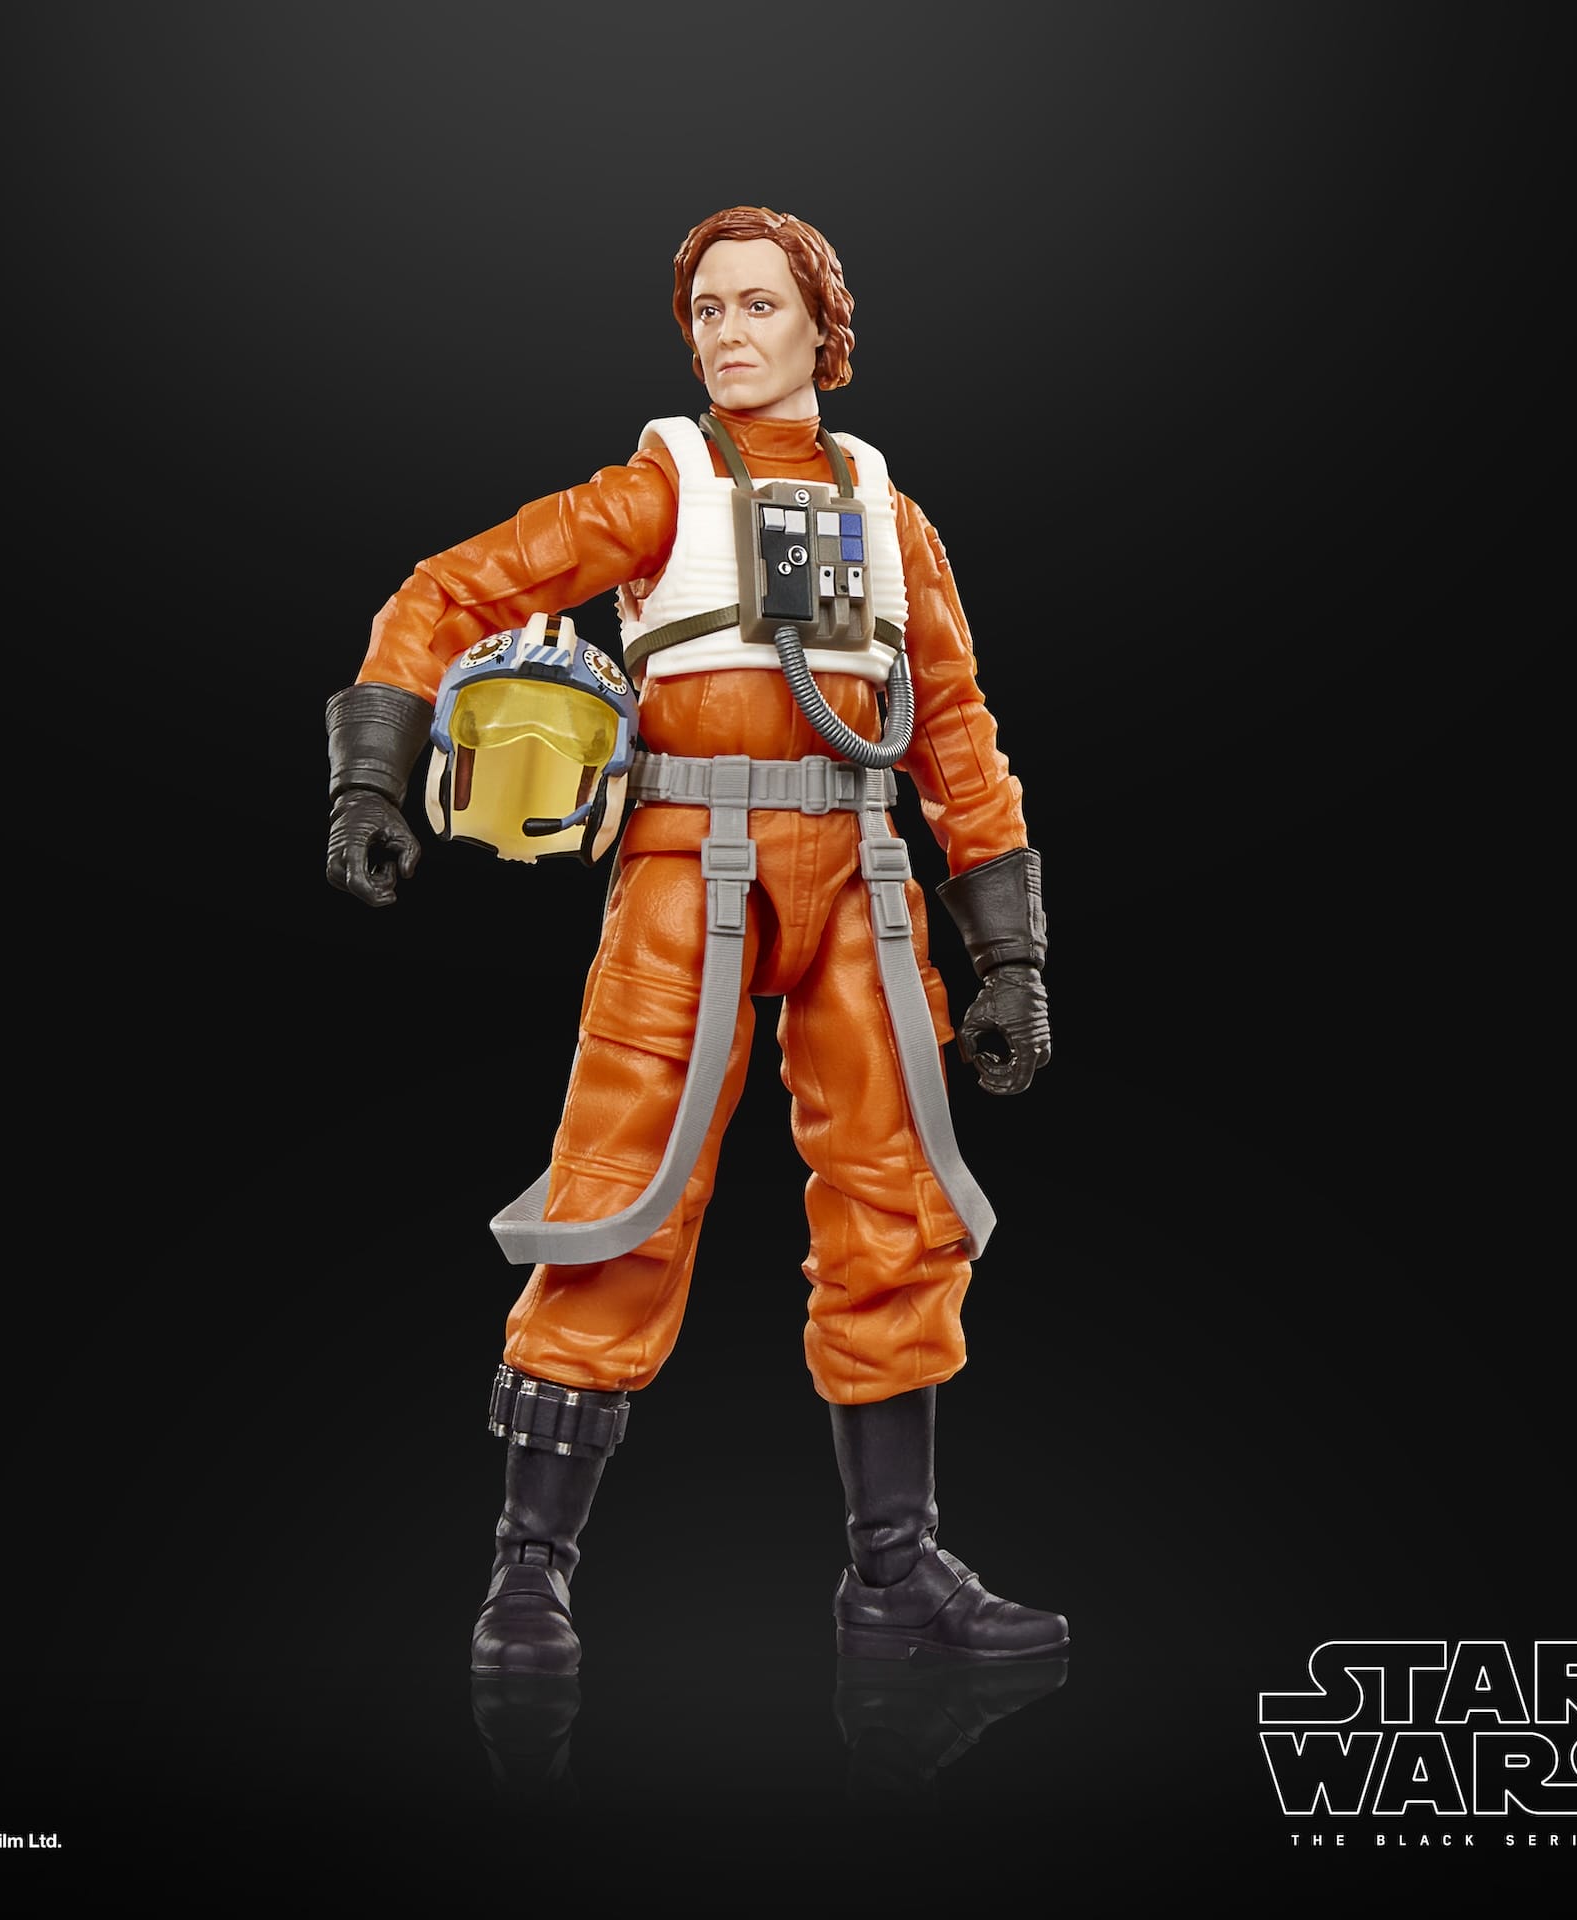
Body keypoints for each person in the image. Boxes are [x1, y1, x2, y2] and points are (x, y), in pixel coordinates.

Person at [325, 206, 1064, 1674]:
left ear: (822, 331)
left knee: (898, 1204)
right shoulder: (659, 489)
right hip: (687, 870)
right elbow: (453, 588)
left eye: (758, 305)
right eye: (707, 310)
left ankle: (895, 1572)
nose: (728, 332)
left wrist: (1013, 955)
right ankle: (528, 1570)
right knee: (620, 1195)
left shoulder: (891, 516)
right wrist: (371, 770)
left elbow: (957, 729)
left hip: (860, 875)